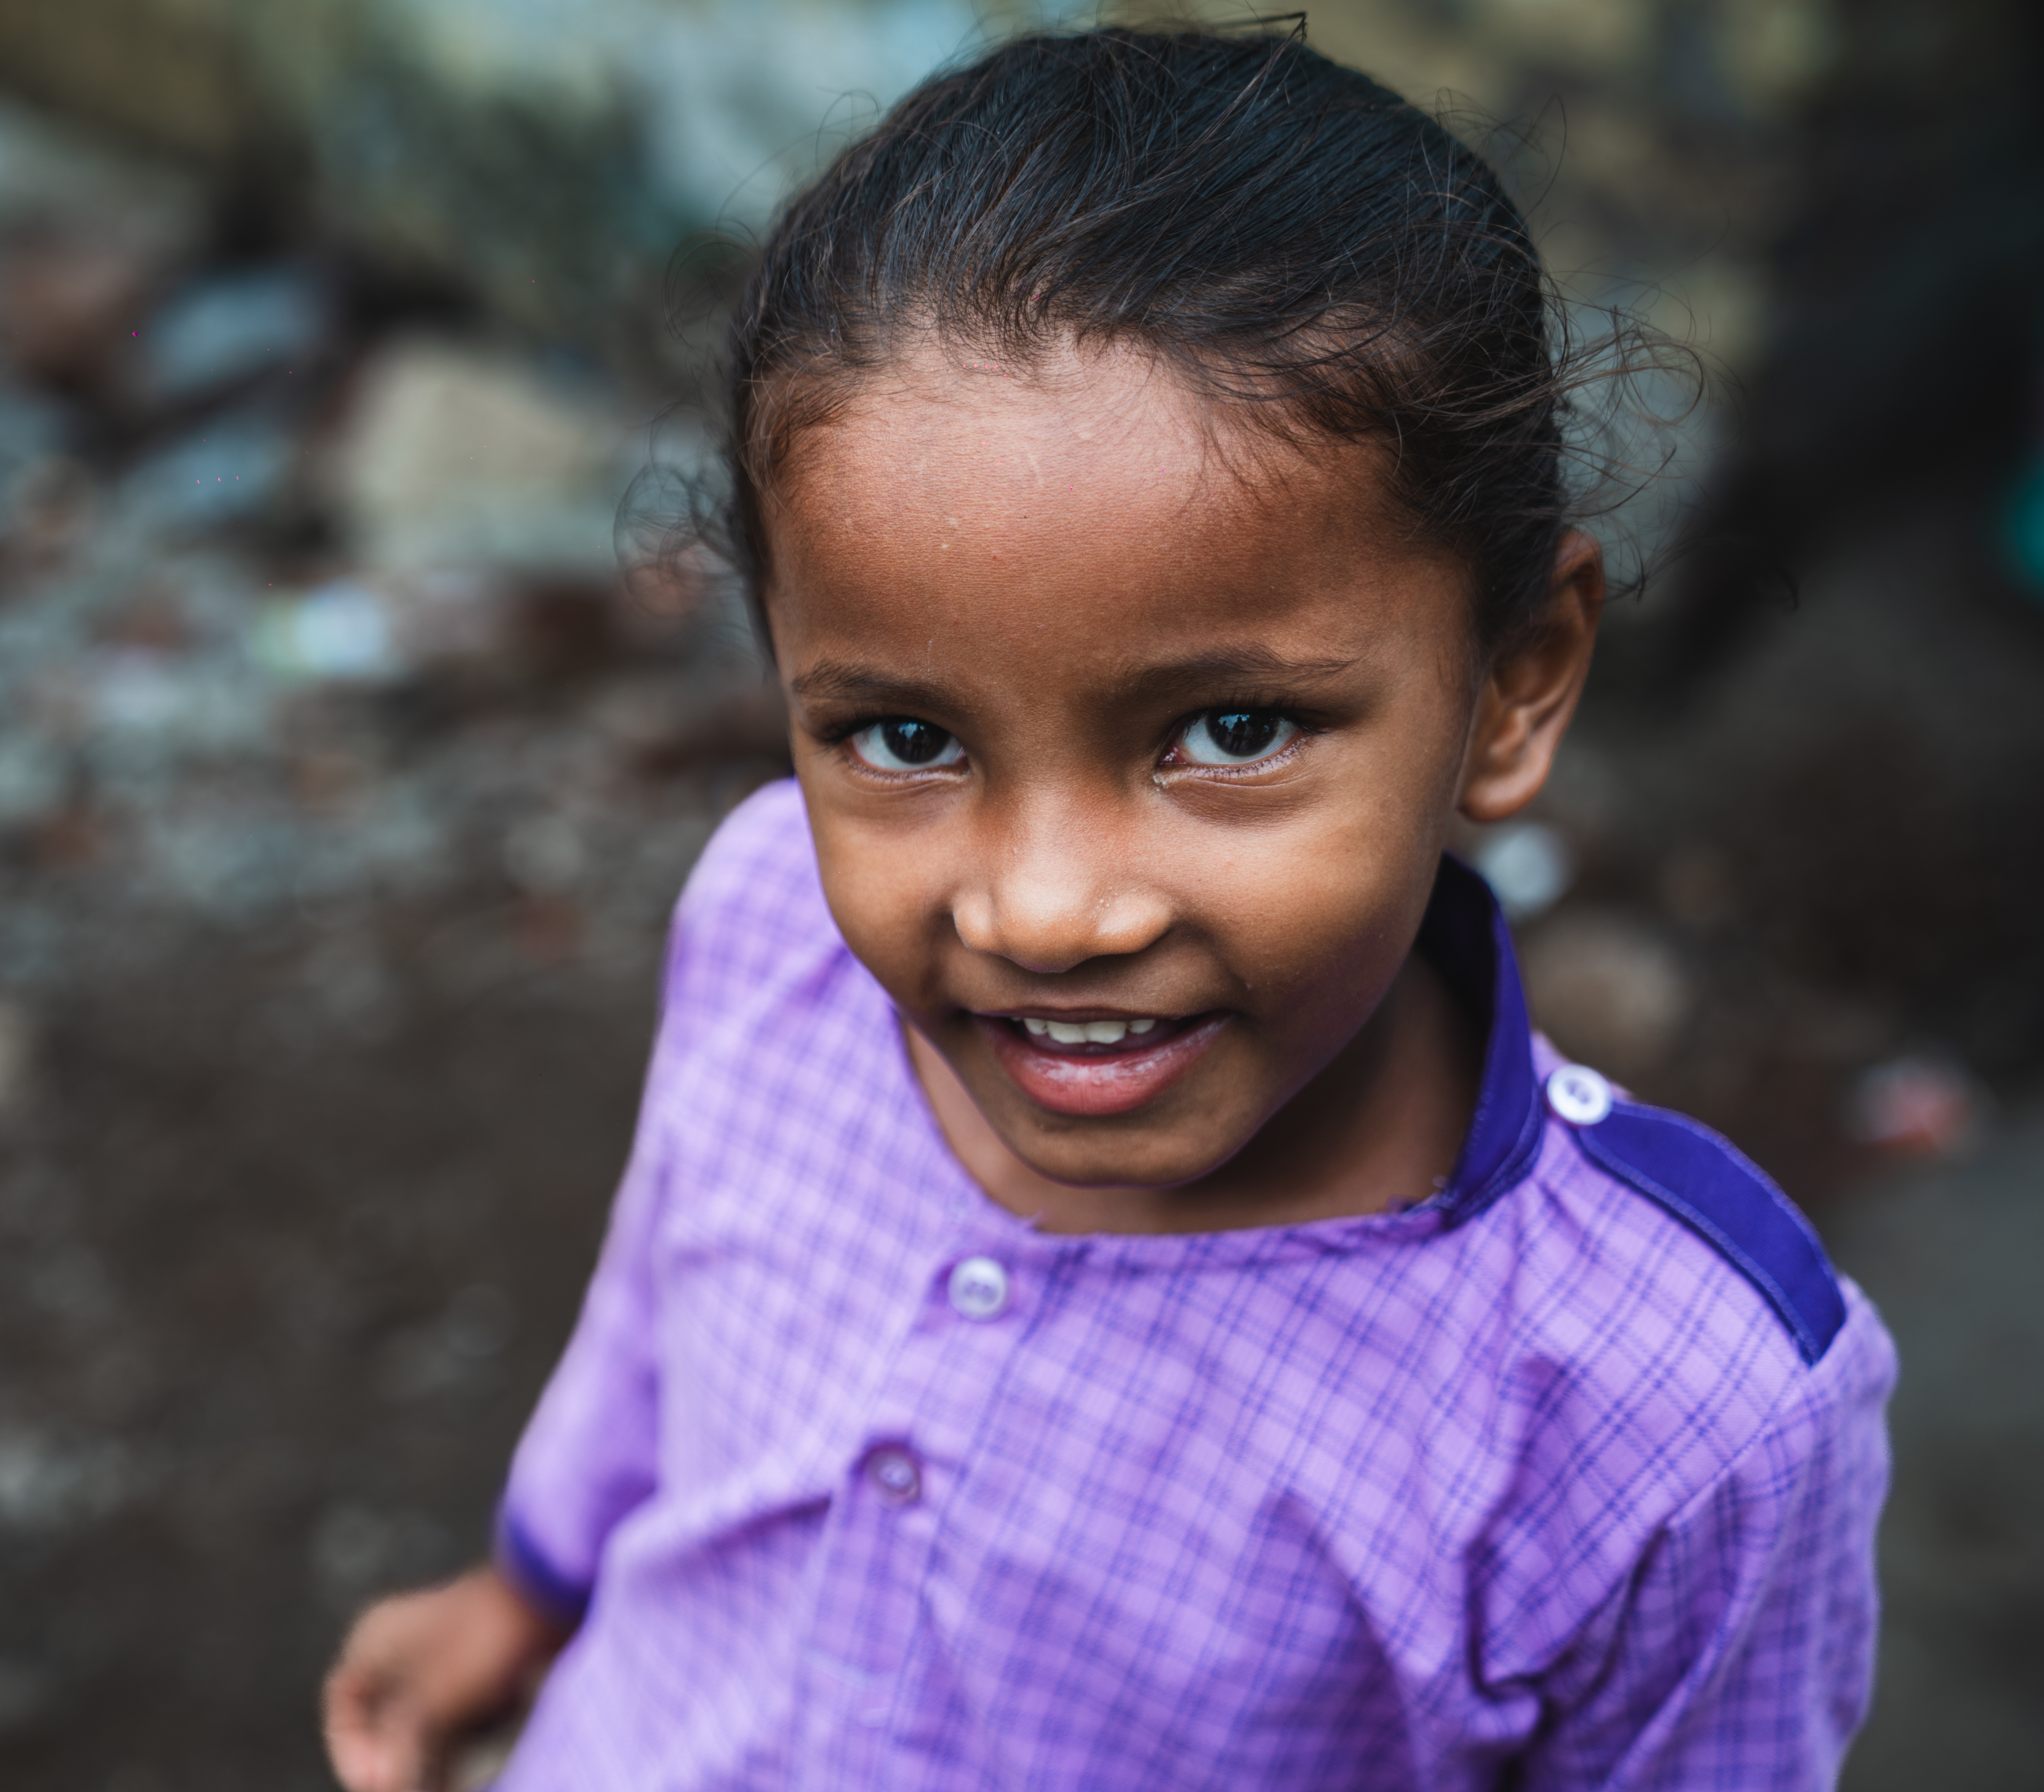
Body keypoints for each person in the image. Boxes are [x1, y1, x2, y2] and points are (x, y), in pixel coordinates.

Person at [322, 26, 1895, 1791]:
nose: (1047, 912)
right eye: (904, 735)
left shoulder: (1673, 1411)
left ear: (1514, 685)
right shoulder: (770, 914)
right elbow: (654, 1302)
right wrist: (528, 1588)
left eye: (1231, 731)